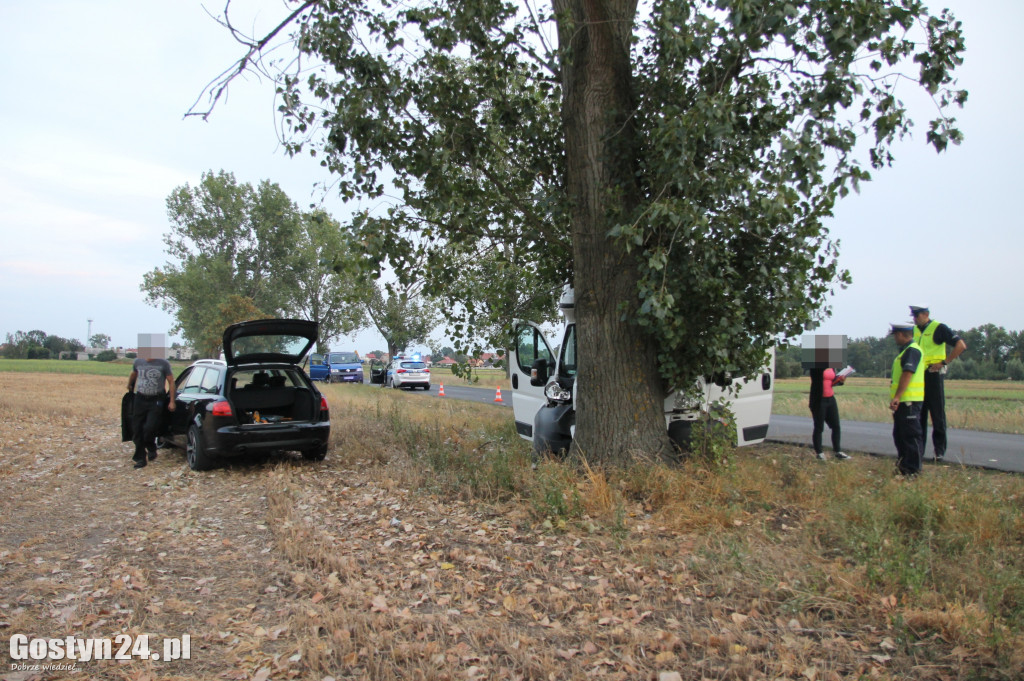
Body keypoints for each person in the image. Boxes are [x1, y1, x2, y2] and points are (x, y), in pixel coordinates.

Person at [910, 305, 967, 462]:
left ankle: (939, 451)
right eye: (913, 316)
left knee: (937, 414)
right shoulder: (914, 330)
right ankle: (919, 450)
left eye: (917, 316)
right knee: (919, 414)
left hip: (933, 374)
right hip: (918, 376)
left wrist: (944, 362)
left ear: (926, 314)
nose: (915, 319)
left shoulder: (939, 328)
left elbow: (961, 345)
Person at [889, 322, 926, 476]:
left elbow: (907, 373)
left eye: (895, 335)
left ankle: (913, 470)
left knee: (911, 437)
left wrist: (897, 396)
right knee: (900, 436)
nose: (895, 339)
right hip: (904, 401)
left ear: (900, 334)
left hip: (909, 401)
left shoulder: (912, 351)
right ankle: (904, 467)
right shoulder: (905, 351)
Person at [126, 355, 176, 469]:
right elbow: (134, 374)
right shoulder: (138, 361)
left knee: (150, 427)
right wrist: (129, 385)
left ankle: (151, 446)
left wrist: (172, 401)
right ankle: (140, 458)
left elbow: (171, 381)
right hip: (140, 398)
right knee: (137, 429)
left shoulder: (163, 363)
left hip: (156, 399)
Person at [808, 367, 850, 460]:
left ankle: (838, 451)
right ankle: (819, 453)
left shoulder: (832, 367)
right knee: (819, 427)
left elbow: (832, 382)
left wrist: (840, 381)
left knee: (836, 426)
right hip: (819, 400)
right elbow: (816, 379)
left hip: (830, 398)